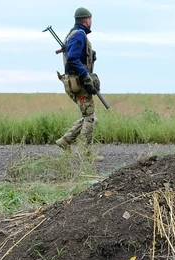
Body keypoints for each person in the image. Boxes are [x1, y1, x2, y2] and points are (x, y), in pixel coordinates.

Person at [55, 7, 102, 161]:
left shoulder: (72, 34)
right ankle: (86, 153)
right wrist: (86, 78)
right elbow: (73, 59)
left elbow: (75, 56)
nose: (91, 22)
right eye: (90, 19)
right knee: (91, 118)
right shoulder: (79, 35)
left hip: (73, 82)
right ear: (87, 19)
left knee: (89, 116)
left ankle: (65, 141)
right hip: (79, 82)